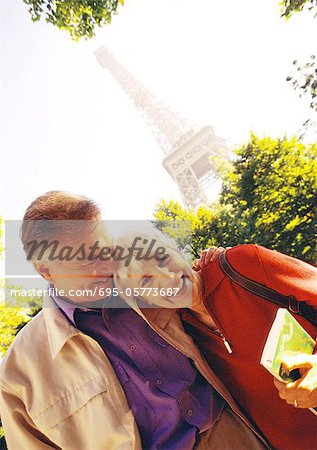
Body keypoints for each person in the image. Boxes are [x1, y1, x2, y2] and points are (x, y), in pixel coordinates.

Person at [0, 191, 268, 450]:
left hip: (236, 434)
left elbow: (212, 306)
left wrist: (214, 268)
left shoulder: (144, 285)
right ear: (46, 270)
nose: (108, 266)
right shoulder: (17, 375)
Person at [114, 225, 317, 450]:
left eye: (162, 259)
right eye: (146, 281)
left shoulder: (243, 264)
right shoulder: (183, 339)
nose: (166, 277)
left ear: (176, 249)